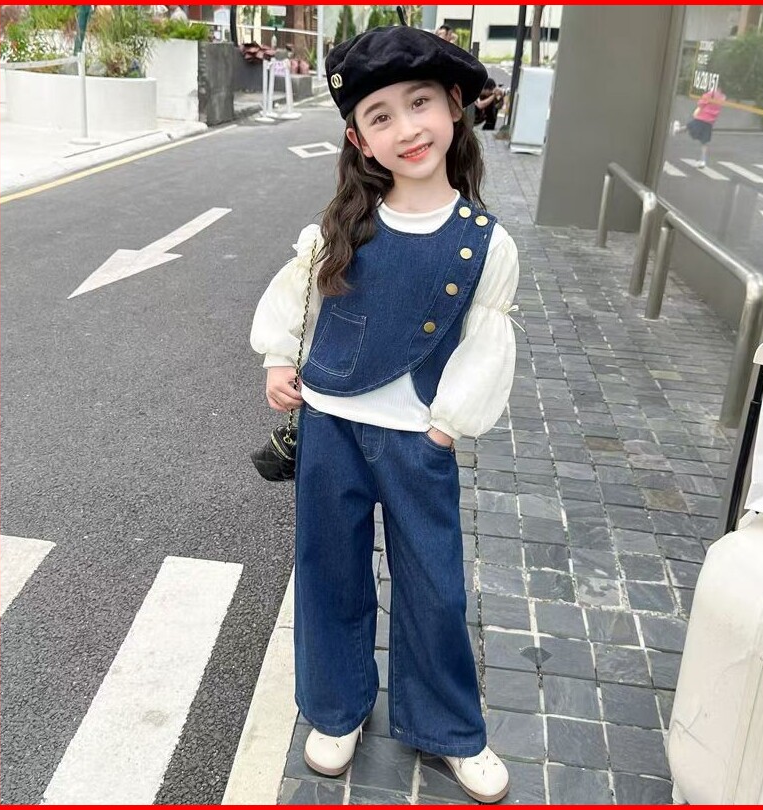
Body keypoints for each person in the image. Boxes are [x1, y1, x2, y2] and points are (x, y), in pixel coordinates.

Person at [250, 16, 519, 806]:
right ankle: (336, 710)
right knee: (329, 572)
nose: (407, 128)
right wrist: (278, 358)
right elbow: (298, 293)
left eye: (421, 102)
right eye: (381, 115)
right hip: (330, 426)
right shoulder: (343, 225)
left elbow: (485, 344)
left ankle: (451, 729)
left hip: (417, 441)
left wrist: (446, 425)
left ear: (455, 107)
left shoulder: (484, 242)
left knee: (434, 586)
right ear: (359, 139)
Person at [671, 84, 726, 167]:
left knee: (689, 126)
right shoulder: (722, 98)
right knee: (704, 142)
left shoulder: (710, 94)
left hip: (702, 118)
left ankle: (677, 130)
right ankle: (703, 161)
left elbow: (701, 103)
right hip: (710, 122)